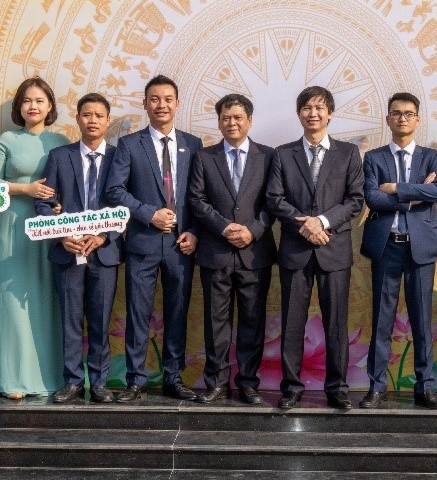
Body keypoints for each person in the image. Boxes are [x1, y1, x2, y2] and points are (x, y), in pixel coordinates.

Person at [267, 85, 365, 410]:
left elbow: (355, 200)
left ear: (330, 113)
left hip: (333, 251)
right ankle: (291, 388)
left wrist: (321, 222)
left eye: (319, 108)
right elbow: (275, 199)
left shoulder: (348, 153)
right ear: (299, 114)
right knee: (292, 323)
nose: (313, 113)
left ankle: (337, 388)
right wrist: (305, 226)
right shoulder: (283, 154)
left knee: (336, 323)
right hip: (295, 251)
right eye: (307, 108)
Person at [104, 75, 201, 402]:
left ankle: (174, 377)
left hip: (181, 246)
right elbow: (115, 190)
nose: (162, 105)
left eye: (168, 99)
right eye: (155, 99)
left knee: (177, 312)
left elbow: (200, 195)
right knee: (138, 313)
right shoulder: (130, 145)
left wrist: (194, 231)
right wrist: (148, 213)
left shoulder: (194, 145)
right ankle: (136, 379)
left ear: (177, 103)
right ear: (145, 104)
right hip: (142, 242)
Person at [188, 93, 276, 405]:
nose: (232, 123)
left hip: (255, 253)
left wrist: (252, 230)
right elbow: (196, 199)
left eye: (238, 117)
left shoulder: (268, 157)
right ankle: (216, 383)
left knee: (253, 320)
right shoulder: (204, 157)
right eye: (226, 118)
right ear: (219, 122)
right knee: (216, 323)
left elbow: (273, 202)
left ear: (249, 120)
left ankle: (248, 383)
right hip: (216, 252)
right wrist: (225, 227)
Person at [361, 92, 437, 409]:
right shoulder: (374, 158)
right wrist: (415, 196)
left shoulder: (431, 157)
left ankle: (426, 387)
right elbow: (373, 198)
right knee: (382, 320)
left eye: (409, 114)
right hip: (387, 246)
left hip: (420, 248)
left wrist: (397, 188)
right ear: (388, 119)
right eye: (396, 113)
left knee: (421, 321)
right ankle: (377, 387)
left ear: (417, 119)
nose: (402, 118)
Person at [37, 93, 123, 404]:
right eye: (87, 115)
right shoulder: (60, 157)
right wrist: (61, 234)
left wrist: (104, 235)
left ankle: (99, 382)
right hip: (68, 251)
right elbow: (43, 202)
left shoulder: (120, 157)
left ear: (108, 121)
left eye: (99, 115)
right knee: (70, 320)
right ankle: (72, 382)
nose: (92, 120)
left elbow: (127, 204)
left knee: (100, 321)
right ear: (77, 119)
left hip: (104, 251)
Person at [0, 77, 66, 400]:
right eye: (27, 101)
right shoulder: (6, 140)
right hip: (13, 226)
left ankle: (50, 376)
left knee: (47, 298)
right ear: (19, 107)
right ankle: (13, 379)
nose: (33, 106)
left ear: (50, 106)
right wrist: (26, 189)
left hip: (48, 230)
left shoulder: (60, 141)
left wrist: (61, 205)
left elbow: (69, 185)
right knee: (12, 300)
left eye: (39, 100)